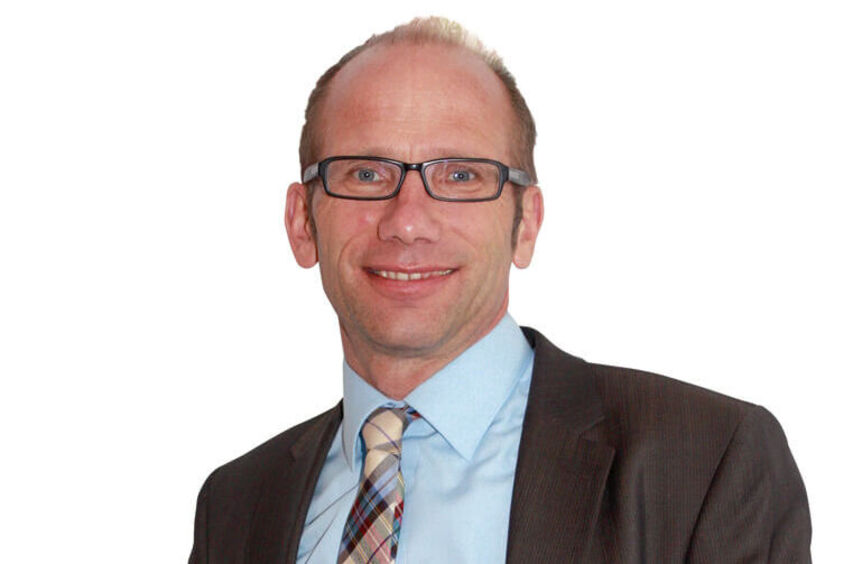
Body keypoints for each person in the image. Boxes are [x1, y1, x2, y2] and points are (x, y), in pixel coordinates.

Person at [189, 16, 810, 563]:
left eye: (460, 176)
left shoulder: (706, 463)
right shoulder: (236, 505)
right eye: (366, 173)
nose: (407, 221)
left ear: (526, 224)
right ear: (302, 223)